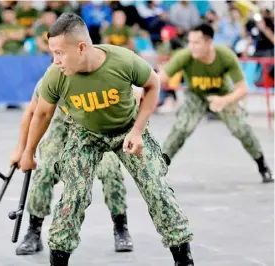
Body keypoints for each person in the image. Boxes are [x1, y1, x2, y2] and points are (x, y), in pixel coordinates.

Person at [18, 13, 194, 266]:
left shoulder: (121, 61)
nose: (55, 60)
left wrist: (137, 130)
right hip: (86, 134)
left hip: (126, 129)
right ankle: (58, 259)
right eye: (52, 53)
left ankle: (183, 258)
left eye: (59, 53)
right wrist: (27, 152)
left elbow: (153, 84)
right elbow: (42, 112)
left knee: (156, 188)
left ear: (81, 47)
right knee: (74, 194)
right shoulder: (56, 75)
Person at [10, 76, 137, 256]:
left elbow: (134, 97)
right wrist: (21, 150)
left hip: (96, 126)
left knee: (110, 170)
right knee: (45, 170)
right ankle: (33, 231)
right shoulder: (50, 79)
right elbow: (32, 112)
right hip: (62, 126)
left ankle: (120, 227)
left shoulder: (98, 75)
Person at [158, 23, 273, 184]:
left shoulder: (225, 56)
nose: (192, 47)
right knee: (181, 128)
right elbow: (160, 77)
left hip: (222, 94)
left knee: (241, 129)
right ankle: (160, 166)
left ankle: (262, 165)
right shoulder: (185, 55)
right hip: (196, 95)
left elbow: (242, 89)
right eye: (190, 42)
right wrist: (142, 88)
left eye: (196, 43)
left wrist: (224, 100)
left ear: (208, 42)